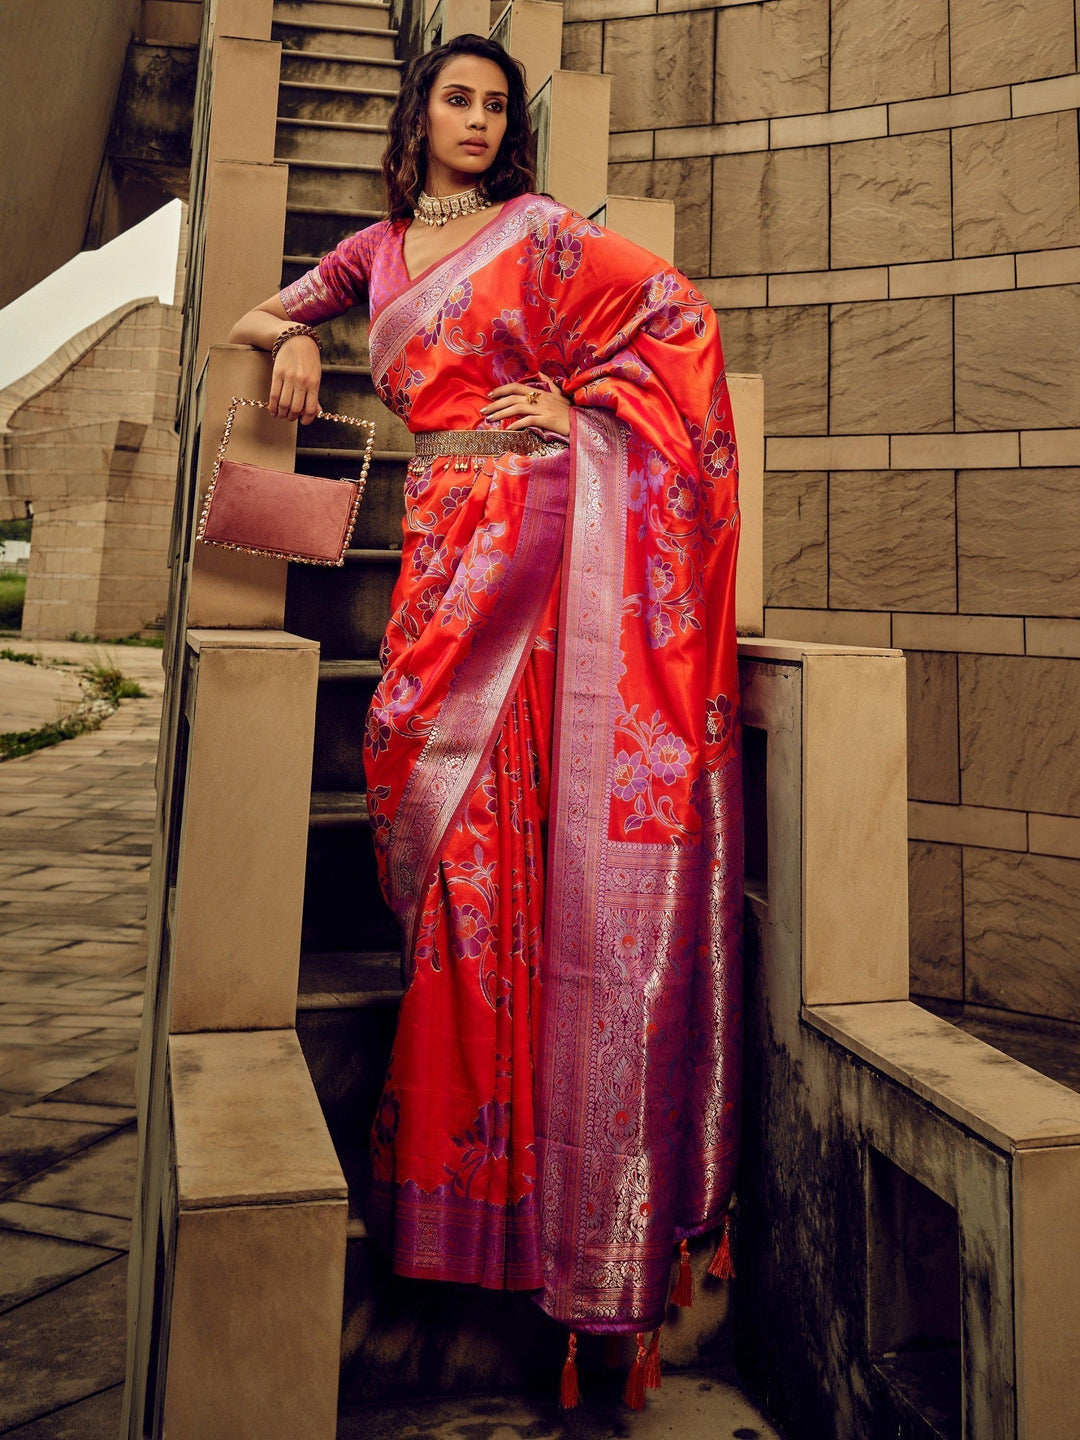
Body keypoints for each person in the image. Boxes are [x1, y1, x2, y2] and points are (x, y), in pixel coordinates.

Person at [227, 32, 743, 1405]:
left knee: (518, 855)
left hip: (543, 552)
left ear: (511, 129)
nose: (472, 119)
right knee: (438, 833)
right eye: (453, 97)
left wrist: (577, 401)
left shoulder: (545, 237)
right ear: (418, 113)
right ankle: (465, 1166)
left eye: (493, 105)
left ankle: (545, 1197)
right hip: (437, 556)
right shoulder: (375, 255)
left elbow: (678, 320)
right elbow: (249, 318)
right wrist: (287, 343)